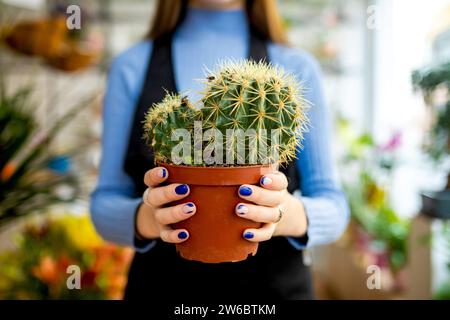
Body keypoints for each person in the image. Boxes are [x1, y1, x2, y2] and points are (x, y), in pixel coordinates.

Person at [91, 0, 349, 300]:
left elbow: (334, 206)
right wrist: (148, 219)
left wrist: (284, 213)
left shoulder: (297, 67)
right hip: (162, 289)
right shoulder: (131, 66)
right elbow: (104, 203)